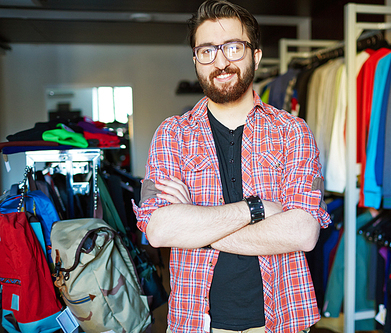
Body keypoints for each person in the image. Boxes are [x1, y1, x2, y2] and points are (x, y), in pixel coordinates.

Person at [133, 1, 331, 332]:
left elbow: (303, 232)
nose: (221, 61)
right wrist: (256, 209)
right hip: (196, 321)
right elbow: (158, 230)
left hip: (281, 318)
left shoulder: (292, 132)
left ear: (255, 55)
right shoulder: (172, 134)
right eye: (207, 51)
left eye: (233, 47)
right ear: (196, 61)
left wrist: (195, 226)